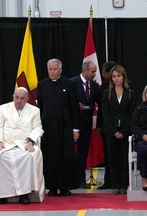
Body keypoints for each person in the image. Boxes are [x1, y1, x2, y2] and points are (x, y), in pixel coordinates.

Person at [0, 87, 45, 205]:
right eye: (16, 98)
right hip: (6, 143)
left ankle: (24, 194)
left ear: (27, 99)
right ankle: (0, 195)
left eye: (22, 98)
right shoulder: (3, 108)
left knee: (28, 157)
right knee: (0, 157)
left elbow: (38, 127)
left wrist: (31, 141)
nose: (19, 101)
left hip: (24, 144)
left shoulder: (34, 110)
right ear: (13, 97)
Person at [38, 58, 80, 196]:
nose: (52, 72)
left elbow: (74, 107)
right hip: (48, 127)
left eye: (55, 69)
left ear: (60, 70)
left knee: (66, 155)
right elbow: (41, 108)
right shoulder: (42, 84)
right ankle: (52, 186)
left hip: (65, 125)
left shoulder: (69, 84)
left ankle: (65, 187)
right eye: (50, 69)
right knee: (50, 156)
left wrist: (76, 129)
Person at [102, 65, 136, 195]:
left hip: (126, 131)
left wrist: (124, 130)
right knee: (113, 159)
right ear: (111, 78)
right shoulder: (107, 93)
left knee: (125, 159)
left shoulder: (131, 93)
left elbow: (132, 114)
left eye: (119, 76)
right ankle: (116, 185)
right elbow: (105, 114)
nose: (116, 79)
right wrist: (114, 131)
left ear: (123, 77)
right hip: (111, 132)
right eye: (114, 76)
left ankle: (124, 184)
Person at [70, 61, 100, 189]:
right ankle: (70, 180)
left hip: (87, 124)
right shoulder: (72, 83)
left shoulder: (94, 85)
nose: (94, 74)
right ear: (85, 70)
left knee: (83, 153)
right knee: (71, 153)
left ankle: (81, 179)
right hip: (73, 124)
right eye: (93, 71)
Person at [96, 61, 118, 190]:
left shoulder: (128, 86)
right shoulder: (104, 87)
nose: (102, 75)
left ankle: (120, 181)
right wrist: (99, 125)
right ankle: (108, 181)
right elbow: (101, 109)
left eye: (104, 73)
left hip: (122, 126)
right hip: (107, 126)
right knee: (108, 155)